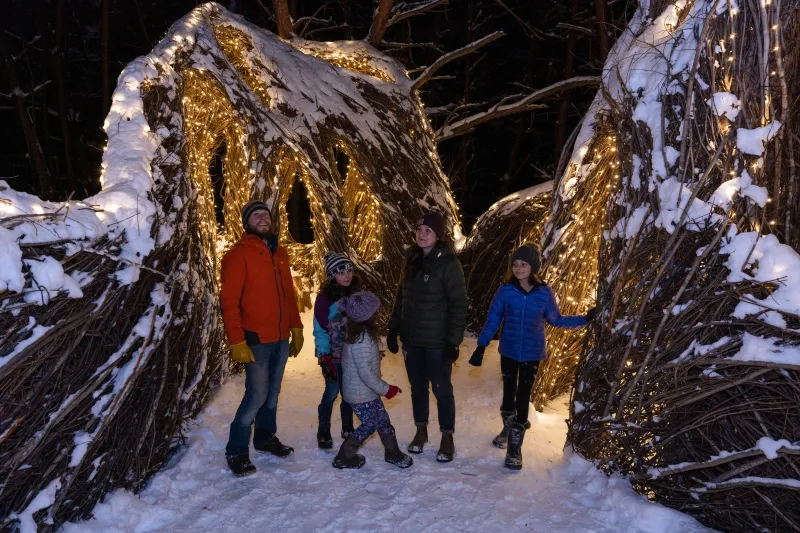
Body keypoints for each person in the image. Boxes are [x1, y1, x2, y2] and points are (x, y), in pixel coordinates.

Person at [468, 243, 595, 470]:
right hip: (508, 350)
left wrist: (584, 319)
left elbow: (556, 320)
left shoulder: (544, 293)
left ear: (533, 267)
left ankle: (514, 449)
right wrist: (481, 346)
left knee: (523, 394)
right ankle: (507, 429)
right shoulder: (505, 290)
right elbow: (493, 319)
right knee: (508, 393)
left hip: (532, 352)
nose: (518, 268)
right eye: (515, 264)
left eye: (523, 264)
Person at [220, 200, 304, 477]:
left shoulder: (280, 253)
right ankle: (236, 450)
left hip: (280, 338)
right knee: (256, 395)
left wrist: (296, 327)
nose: (262, 218)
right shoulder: (238, 255)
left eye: (265, 214)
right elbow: (229, 301)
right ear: (247, 223)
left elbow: (288, 295)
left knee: (273, 393)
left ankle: (266, 438)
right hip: (255, 339)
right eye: (255, 215)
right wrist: (236, 340)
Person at [386, 212, 467, 463]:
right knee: (418, 389)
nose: (422, 234)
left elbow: (458, 304)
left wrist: (453, 343)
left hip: (437, 342)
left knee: (442, 390)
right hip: (412, 340)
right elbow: (402, 298)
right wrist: (393, 328)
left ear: (438, 235)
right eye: (419, 229)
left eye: (428, 231)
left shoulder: (449, 263)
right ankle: (421, 431)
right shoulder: (410, 259)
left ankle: (447, 437)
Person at [332, 291, 413, 470]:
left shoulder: (360, 336)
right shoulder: (361, 341)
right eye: (375, 312)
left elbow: (361, 362)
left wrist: (375, 355)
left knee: (382, 419)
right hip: (361, 394)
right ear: (367, 317)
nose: (378, 314)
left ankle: (392, 453)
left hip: (365, 391)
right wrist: (386, 389)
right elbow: (365, 374)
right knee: (369, 425)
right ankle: (343, 457)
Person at [313, 251, 360, 449]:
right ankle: (323, 429)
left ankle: (348, 427)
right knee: (332, 391)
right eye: (340, 272)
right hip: (332, 355)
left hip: (352, 354)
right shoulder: (325, 300)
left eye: (348, 270)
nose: (346, 275)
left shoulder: (356, 295)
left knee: (349, 391)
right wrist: (324, 356)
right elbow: (320, 330)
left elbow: (364, 323)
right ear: (332, 275)